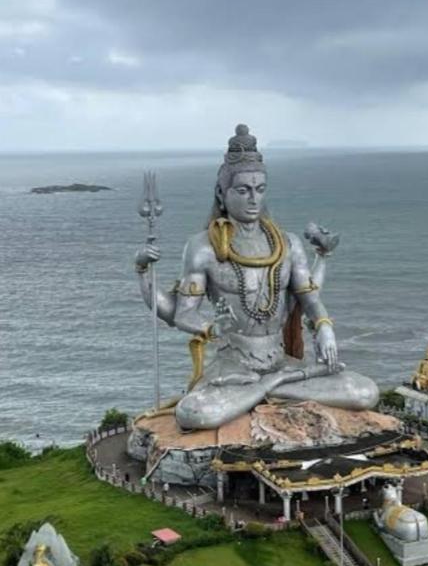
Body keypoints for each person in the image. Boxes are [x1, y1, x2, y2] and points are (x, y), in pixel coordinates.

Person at [135, 125, 378, 431]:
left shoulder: (287, 244)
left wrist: (325, 327)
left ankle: (269, 387)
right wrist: (145, 273)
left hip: (280, 361)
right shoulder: (203, 247)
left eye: (260, 189)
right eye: (243, 190)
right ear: (221, 194)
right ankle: (274, 387)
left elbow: (310, 299)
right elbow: (182, 314)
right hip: (233, 367)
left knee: (364, 392)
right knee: (194, 413)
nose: (253, 199)